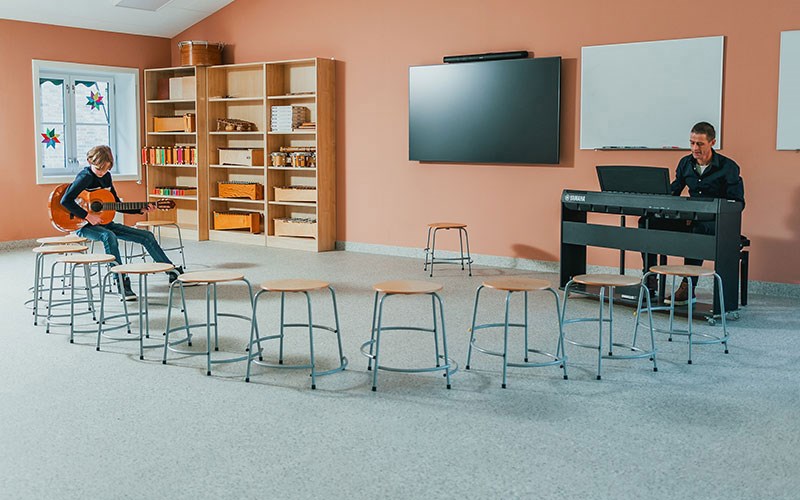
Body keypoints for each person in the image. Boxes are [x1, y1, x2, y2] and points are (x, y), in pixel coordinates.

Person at [60, 145, 184, 300]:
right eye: (99, 169)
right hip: (82, 225)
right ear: (90, 161)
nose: (102, 173)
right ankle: (121, 281)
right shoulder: (85, 177)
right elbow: (66, 200)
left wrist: (140, 209)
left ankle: (171, 271)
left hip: (104, 223)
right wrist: (88, 216)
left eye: (106, 169)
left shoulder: (106, 177)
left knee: (146, 236)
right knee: (108, 236)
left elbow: (116, 204)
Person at [641, 122, 745, 305]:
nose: (695, 148)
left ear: (712, 142)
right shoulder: (685, 163)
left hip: (715, 221)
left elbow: (737, 203)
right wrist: (657, 200)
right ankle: (649, 280)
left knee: (698, 230)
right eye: (692, 143)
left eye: (700, 144)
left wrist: (709, 211)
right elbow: (674, 190)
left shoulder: (728, 167)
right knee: (647, 222)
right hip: (690, 217)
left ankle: (688, 286)